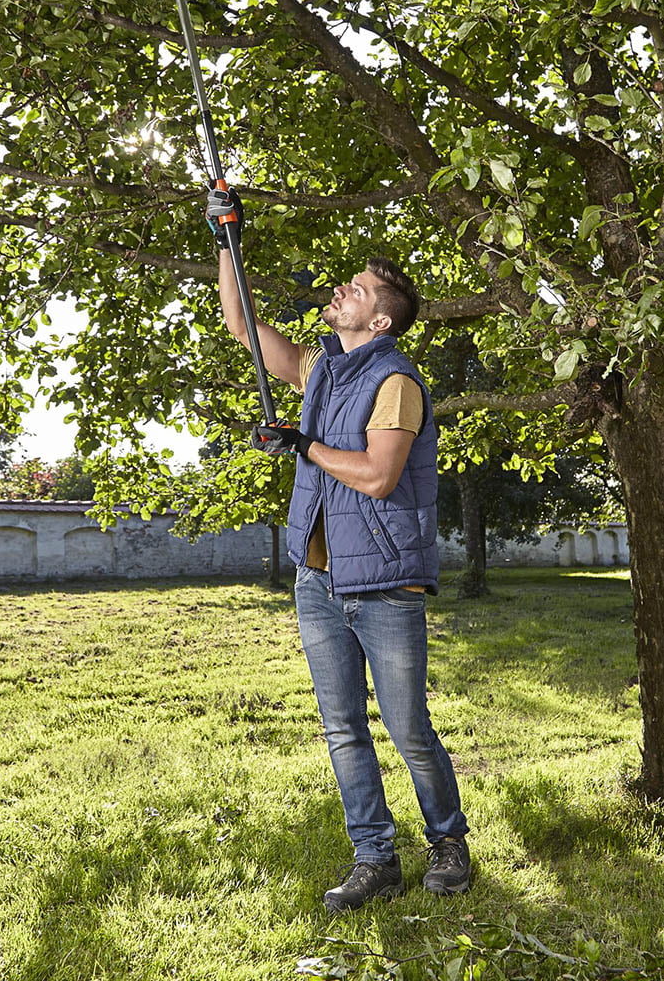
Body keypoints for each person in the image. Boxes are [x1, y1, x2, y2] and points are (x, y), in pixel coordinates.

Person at [207, 186, 471, 913]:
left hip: (385, 585)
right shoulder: (323, 368)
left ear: (379, 319)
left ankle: (447, 843)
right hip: (319, 583)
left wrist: (305, 444)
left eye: (354, 290)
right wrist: (228, 239)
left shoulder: (394, 381)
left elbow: (380, 476)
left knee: (409, 728)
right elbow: (240, 322)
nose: (340, 291)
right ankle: (374, 859)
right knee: (343, 728)